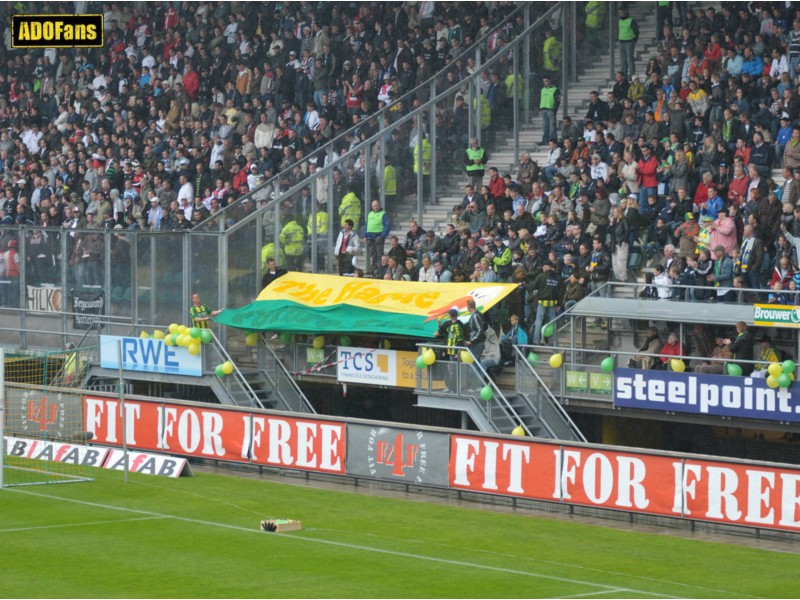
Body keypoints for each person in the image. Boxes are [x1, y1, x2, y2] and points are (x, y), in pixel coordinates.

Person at [530, 260, 560, 345]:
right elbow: (560, 291)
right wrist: (559, 304)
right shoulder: (557, 277)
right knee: (552, 321)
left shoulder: (541, 276)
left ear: (547, 266)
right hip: (553, 302)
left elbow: (532, 286)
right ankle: (552, 341)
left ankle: (536, 340)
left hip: (542, 301)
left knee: (539, 321)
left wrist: (524, 284)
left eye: (543, 266)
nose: (542, 268)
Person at [364, 200, 390, 272]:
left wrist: (382, 236)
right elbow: (367, 225)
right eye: (374, 206)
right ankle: (374, 269)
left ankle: (380, 270)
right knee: (372, 254)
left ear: (379, 205)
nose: (375, 208)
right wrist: (365, 235)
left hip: (378, 236)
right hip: (370, 237)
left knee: (379, 254)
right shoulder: (370, 214)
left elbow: (387, 226)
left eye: (376, 206)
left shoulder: (383, 214)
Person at [539, 76, 560, 144]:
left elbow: (557, 100)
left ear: (549, 81)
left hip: (551, 109)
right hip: (544, 109)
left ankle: (553, 140)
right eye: (544, 81)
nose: (544, 83)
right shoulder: (542, 89)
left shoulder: (555, 89)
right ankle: (545, 140)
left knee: (552, 126)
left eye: (546, 81)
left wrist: (554, 110)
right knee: (545, 126)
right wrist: (540, 108)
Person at [464, 298, 486, 362]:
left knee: (474, 362)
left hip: (477, 343)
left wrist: (471, 341)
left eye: (466, 306)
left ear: (468, 306)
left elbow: (480, 329)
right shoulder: (478, 314)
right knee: (475, 361)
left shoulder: (475, 316)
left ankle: (477, 372)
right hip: (477, 342)